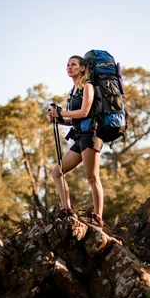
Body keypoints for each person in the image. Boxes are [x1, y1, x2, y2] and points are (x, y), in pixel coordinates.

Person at [48, 55, 104, 226]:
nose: (69, 67)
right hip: (80, 137)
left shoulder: (88, 86)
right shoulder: (73, 93)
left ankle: (97, 216)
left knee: (92, 176)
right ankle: (67, 210)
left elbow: (85, 112)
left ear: (82, 68)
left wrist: (61, 113)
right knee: (57, 172)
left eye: (73, 65)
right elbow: (73, 120)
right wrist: (58, 119)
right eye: (67, 65)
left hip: (91, 135)